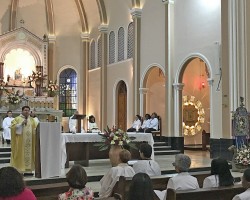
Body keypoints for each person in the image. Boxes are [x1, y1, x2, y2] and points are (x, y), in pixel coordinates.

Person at [10, 106, 38, 174]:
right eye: (25, 110)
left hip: (30, 142)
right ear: (22, 111)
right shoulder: (17, 119)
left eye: (28, 110)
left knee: (30, 154)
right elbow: (12, 127)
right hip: (20, 142)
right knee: (19, 154)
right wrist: (21, 124)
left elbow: (36, 129)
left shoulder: (32, 120)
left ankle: (29, 170)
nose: (26, 112)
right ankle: (20, 170)